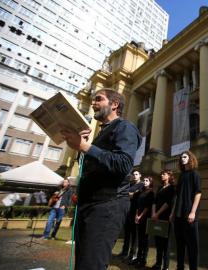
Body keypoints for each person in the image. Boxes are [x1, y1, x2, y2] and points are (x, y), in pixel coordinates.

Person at [61, 88, 142, 270]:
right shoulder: (99, 135)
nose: (93, 103)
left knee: (91, 265)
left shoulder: (125, 127)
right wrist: (83, 146)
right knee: (83, 264)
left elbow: (123, 164)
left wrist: (84, 146)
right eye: (92, 100)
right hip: (89, 206)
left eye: (99, 99)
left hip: (107, 206)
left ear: (114, 104)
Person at [171, 151, 202, 270]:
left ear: (190, 158)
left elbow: (198, 193)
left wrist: (193, 212)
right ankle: (180, 267)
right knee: (180, 244)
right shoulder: (181, 176)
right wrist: (173, 212)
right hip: (178, 215)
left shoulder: (195, 174)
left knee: (192, 246)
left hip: (189, 215)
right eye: (181, 157)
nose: (182, 158)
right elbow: (178, 196)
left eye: (185, 156)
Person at [151, 169, 176, 270]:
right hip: (156, 217)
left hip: (165, 218)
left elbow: (168, 203)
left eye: (164, 174)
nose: (162, 175)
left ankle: (165, 267)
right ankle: (158, 264)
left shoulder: (172, 188)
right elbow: (154, 202)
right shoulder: (160, 188)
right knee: (158, 242)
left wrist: (157, 213)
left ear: (169, 176)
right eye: (161, 174)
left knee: (166, 243)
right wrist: (153, 213)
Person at [119, 169, 144, 263]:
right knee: (127, 233)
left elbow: (131, 194)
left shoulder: (141, 185)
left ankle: (132, 253)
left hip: (135, 211)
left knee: (134, 234)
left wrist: (130, 194)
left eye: (136, 174)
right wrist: (129, 193)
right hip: (127, 210)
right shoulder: (131, 184)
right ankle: (124, 252)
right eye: (134, 174)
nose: (135, 176)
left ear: (140, 175)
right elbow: (127, 194)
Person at [134, 176, 155, 268]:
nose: (145, 182)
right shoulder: (141, 192)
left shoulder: (151, 193)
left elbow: (147, 207)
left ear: (150, 182)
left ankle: (143, 260)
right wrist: (136, 215)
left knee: (145, 240)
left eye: (147, 181)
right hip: (138, 217)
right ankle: (138, 258)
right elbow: (138, 205)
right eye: (144, 180)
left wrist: (140, 216)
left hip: (145, 218)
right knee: (140, 239)